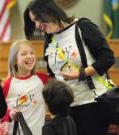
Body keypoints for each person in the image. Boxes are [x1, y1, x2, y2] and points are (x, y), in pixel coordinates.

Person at [23, 0, 115, 135]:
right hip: (66, 110)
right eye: (33, 22)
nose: (37, 25)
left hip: (92, 104)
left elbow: (107, 58)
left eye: (37, 19)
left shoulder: (82, 26)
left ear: (49, 11)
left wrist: (81, 73)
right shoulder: (50, 38)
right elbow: (52, 74)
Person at [2, 40, 49, 135]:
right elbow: (0, 112)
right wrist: (10, 114)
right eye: (24, 54)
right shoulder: (7, 84)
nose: (29, 56)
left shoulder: (42, 79)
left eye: (32, 53)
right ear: (15, 60)